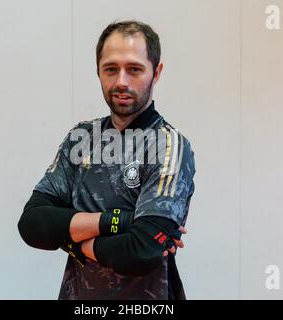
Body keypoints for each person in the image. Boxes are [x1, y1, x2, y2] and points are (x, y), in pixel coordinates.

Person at [18, 20, 196, 300]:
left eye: (134, 69)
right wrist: (120, 221)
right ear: (98, 71)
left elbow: (140, 251)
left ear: (156, 72)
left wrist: (72, 241)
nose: (121, 81)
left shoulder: (169, 145)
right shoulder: (81, 138)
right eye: (111, 69)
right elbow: (33, 224)